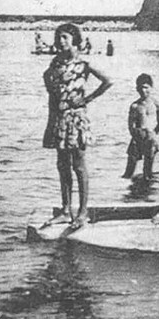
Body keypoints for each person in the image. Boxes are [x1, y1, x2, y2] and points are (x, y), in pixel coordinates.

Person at [43, 23, 112, 228]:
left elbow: (108, 81)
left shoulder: (83, 63)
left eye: (65, 37)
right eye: (58, 37)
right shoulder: (55, 63)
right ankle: (66, 211)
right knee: (62, 165)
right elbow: (51, 91)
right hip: (59, 118)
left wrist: (87, 99)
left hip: (76, 119)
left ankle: (82, 212)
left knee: (79, 166)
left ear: (74, 39)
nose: (61, 41)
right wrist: (51, 123)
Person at [122, 73, 159, 181]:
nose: (143, 90)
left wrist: (153, 134)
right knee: (129, 170)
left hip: (150, 137)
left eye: (146, 87)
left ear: (151, 87)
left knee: (147, 172)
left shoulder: (156, 105)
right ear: (137, 89)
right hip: (137, 137)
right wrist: (136, 136)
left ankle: (146, 187)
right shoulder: (135, 106)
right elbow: (130, 125)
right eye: (140, 88)